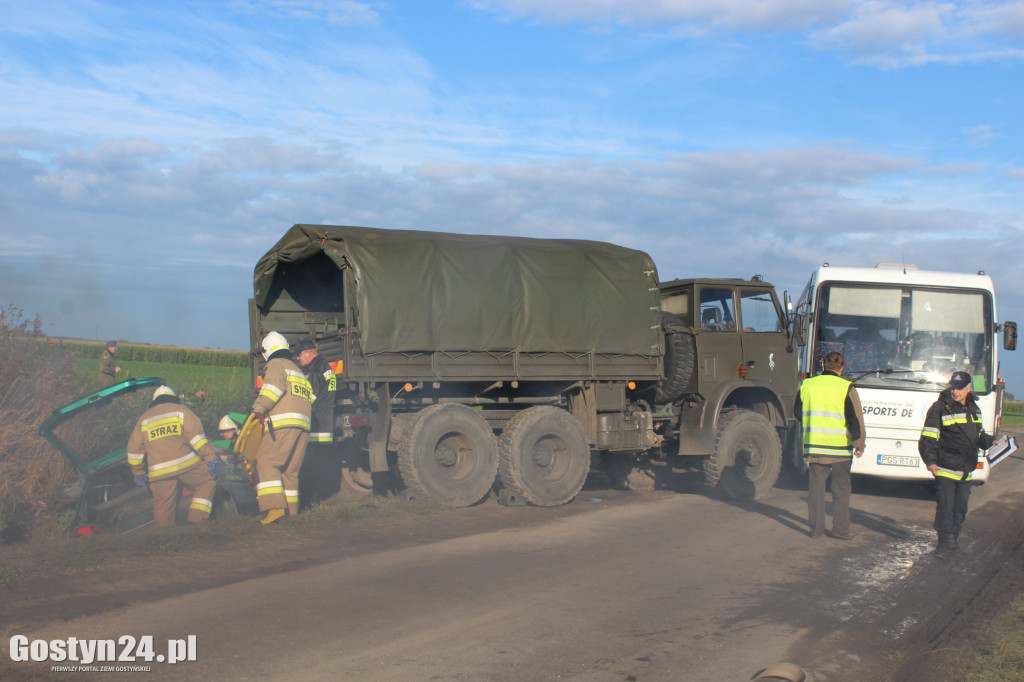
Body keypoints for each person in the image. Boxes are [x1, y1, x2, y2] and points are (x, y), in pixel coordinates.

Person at [919, 370, 993, 558]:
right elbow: (928, 437)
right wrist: (931, 461)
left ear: (968, 388)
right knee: (946, 507)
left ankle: (954, 540)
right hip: (945, 467)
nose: (955, 391)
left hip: (965, 470)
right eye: (953, 387)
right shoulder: (939, 408)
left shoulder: (975, 409)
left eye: (959, 388)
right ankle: (942, 544)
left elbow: (978, 436)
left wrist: (991, 441)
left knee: (960, 508)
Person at [795, 351, 866, 539]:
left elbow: (797, 411)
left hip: (815, 447)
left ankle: (816, 530)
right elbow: (855, 418)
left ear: (823, 365)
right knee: (841, 491)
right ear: (841, 368)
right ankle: (841, 530)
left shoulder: (807, 385)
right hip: (840, 448)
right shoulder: (846, 387)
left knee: (816, 490)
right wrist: (859, 443)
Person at [125, 385, 219, 528]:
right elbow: (196, 438)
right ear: (174, 398)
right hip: (186, 465)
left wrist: (138, 472)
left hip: (159, 472)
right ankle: (196, 523)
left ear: (154, 401)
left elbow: (134, 450)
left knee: (163, 507)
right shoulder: (181, 411)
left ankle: (165, 541)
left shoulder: (144, 419)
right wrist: (209, 457)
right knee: (207, 482)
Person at [251, 331, 313, 524]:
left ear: (267, 351)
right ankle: (292, 513)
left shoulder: (276, 365)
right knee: (290, 472)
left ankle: (275, 509)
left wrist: (255, 411)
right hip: (303, 426)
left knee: (266, 462)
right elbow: (311, 398)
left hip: (283, 425)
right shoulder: (298, 370)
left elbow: (272, 392)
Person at [292, 338, 339, 508]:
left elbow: (310, 396)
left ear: (310, 353)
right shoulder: (324, 367)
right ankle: (316, 498)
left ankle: (312, 500)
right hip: (325, 420)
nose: (298, 358)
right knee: (320, 461)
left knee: (312, 463)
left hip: (318, 421)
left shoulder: (318, 369)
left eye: (300, 355)